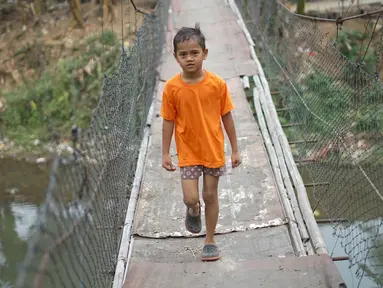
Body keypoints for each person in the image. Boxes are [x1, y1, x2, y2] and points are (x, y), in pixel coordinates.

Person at [160, 23, 241, 262]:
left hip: (213, 150)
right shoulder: (172, 88)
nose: (189, 59)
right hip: (188, 152)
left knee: (210, 195)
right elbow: (167, 121)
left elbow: (227, 117)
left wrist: (235, 149)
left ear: (205, 53)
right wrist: (165, 153)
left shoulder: (217, 85)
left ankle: (210, 240)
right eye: (183, 54)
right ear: (176, 58)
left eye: (194, 53)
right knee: (191, 198)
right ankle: (193, 210)